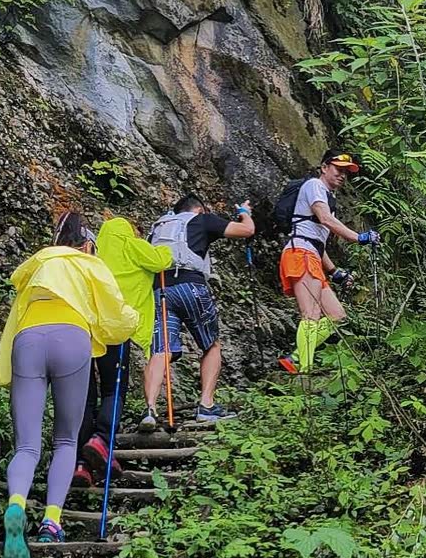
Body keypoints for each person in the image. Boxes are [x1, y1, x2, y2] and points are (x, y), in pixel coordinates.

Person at [0, 211, 138, 558]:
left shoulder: (38, 263)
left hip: (28, 338)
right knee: (65, 440)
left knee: (26, 445)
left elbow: (16, 313)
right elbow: (116, 318)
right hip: (71, 337)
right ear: (87, 244)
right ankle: (51, 523)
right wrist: (132, 320)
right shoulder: (89, 264)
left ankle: (17, 504)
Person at [72, 217, 172, 488]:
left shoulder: (93, 255)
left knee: (86, 398)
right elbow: (162, 259)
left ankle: (81, 464)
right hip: (117, 327)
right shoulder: (132, 245)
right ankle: (102, 439)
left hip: (85, 329)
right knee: (113, 391)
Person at [140, 194, 255, 428]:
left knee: (160, 350)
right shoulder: (201, 220)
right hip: (191, 286)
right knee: (211, 345)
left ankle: (150, 410)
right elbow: (247, 230)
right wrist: (244, 212)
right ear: (199, 209)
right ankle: (206, 405)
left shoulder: (158, 229)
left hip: (160, 290)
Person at [277, 150, 380, 375]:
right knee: (310, 314)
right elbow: (324, 220)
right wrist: (358, 237)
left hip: (310, 253)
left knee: (337, 316)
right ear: (324, 168)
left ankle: (296, 356)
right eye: (338, 169)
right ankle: (305, 371)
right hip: (300, 254)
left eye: (346, 172)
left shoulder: (326, 197)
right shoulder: (315, 185)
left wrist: (334, 272)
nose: (342, 175)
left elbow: (317, 241)